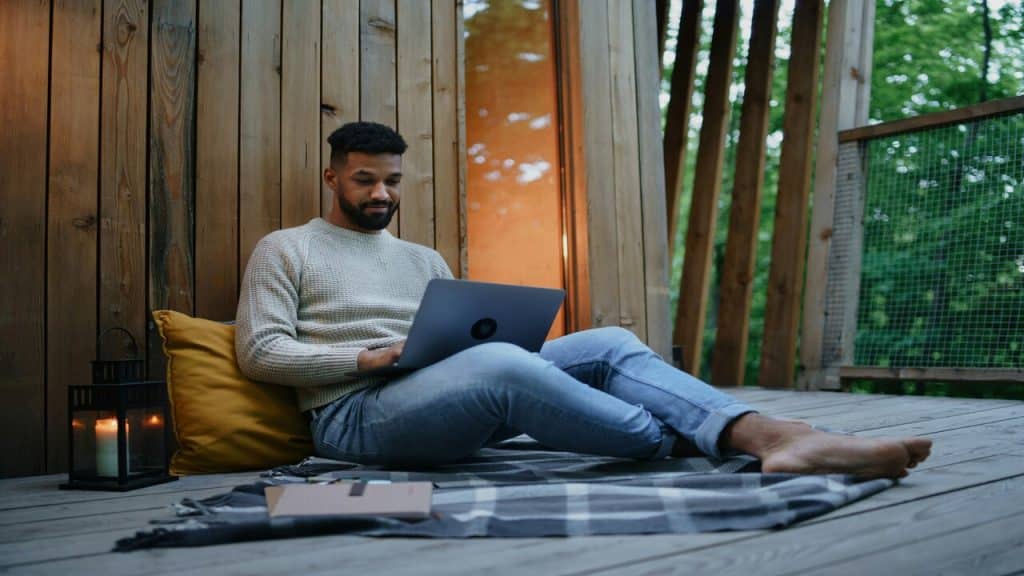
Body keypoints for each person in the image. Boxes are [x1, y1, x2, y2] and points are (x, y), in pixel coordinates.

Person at [236, 121, 931, 479]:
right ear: (332, 176)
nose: (381, 194)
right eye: (364, 180)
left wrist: (438, 352)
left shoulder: (422, 258)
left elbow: (451, 340)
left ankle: (761, 435)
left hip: (439, 392)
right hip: (354, 420)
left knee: (608, 342)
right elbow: (261, 353)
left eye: (391, 181)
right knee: (506, 368)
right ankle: (760, 437)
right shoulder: (286, 248)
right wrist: (368, 357)